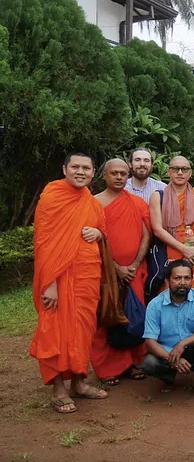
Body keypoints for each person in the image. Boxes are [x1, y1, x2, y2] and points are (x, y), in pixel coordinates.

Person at [30, 153, 108, 414]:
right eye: (75, 166)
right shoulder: (51, 197)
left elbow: (101, 231)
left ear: (93, 171)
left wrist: (98, 233)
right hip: (58, 279)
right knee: (57, 330)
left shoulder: (93, 203)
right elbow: (44, 243)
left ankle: (79, 383)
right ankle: (58, 390)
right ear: (64, 169)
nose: (80, 171)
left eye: (86, 168)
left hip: (86, 277)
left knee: (83, 330)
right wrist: (49, 284)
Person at [90, 159, 151, 385]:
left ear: (128, 176)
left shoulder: (136, 203)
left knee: (135, 317)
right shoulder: (93, 203)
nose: (118, 177)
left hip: (133, 273)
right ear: (104, 175)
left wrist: (134, 265)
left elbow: (146, 236)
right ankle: (108, 368)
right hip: (104, 271)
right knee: (106, 316)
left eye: (123, 173)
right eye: (114, 173)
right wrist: (115, 268)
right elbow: (95, 240)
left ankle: (135, 362)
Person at [142, 260, 194, 402]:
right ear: (167, 281)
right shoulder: (155, 305)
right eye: (177, 278)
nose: (182, 282)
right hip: (167, 352)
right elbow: (150, 342)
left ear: (192, 279)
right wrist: (173, 359)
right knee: (149, 363)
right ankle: (169, 378)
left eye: (187, 278)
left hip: (191, 350)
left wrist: (182, 344)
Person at [149, 156, 194, 304]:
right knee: (171, 296)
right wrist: (184, 249)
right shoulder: (158, 196)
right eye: (175, 169)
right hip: (171, 251)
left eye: (184, 169)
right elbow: (157, 229)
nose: (179, 173)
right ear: (169, 172)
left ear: (190, 173)